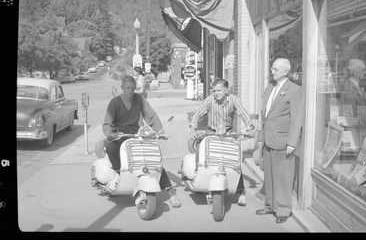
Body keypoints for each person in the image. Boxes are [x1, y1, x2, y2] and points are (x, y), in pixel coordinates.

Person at [102, 76, 181, 208]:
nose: (130, 91)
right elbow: (107, 123)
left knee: (152, 159)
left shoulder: (140, 99)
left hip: (137, 134)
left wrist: (160, 132)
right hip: (120, 135)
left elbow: (151, 115)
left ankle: (171, 192)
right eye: (127, 88)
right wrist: (111, 134)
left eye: (133, 88)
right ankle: (118, 175)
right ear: (122, 88)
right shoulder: (114, 102)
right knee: (111, 148)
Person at [189, 78, 256, 206]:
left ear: (226, 90)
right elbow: (198, 113)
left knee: (234, 160)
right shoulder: (210, 100)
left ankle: (241, 191)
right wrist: (193, 128)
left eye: (219, 90)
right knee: (201, 151)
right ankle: (199, 177)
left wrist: (250, 128)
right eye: (214, 91)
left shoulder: (233, 100)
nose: (216, 93)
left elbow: (243, 113)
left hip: (228, 132)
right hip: (211, 131)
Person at [255, 58, 303, 224]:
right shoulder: (269, 89)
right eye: (272, 68)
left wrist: (292, 142)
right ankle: (269, 204)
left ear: (285, 72)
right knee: (269, 175)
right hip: (269, 140)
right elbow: (265, 116)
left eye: (275, 69)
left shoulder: (295, 90)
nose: (272, 71)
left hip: (284, 141)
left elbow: (297, 119)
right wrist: (261, 139)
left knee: (283, 177)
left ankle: (283, 210)